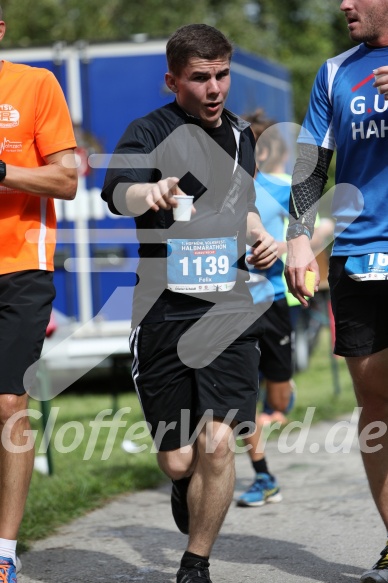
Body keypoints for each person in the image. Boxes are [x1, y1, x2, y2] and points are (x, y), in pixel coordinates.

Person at [101, 23, 277, 583]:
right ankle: (184, 484)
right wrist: (148, 192)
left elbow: (242, 204)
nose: (214, 88)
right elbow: (118, 192)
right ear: (173, 80)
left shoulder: (242, 135)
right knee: (180, 457)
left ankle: (195, 564)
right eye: (200, 78)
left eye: (222, 75)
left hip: (228, 305)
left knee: (220, 441)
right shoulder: (147, 130)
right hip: (163, 311)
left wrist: (259, 237)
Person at [284, 2, 388, 582]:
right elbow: (311, 159)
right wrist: (299, 239)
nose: (344, 4)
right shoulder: (334, 71)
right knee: (375, 405)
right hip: (357, 255)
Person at [0, 6, 78, 582]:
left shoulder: (34, 84)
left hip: (20, 266)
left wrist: (2, 172)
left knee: (8, 404)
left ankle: (3, 551)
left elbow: (67, 180)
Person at [236, 113, 295, 507]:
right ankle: (263, 475)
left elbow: (310, 236)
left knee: (279, 392)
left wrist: (282, 249)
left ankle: (284, 397)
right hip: (234, 306)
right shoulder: (222, 193)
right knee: (245, 398)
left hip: (273, 302)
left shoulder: (281, 188)